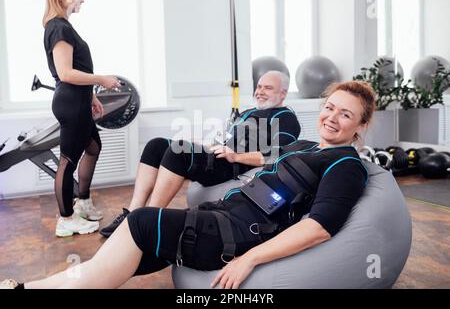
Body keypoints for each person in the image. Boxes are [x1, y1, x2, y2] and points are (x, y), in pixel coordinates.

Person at [0, 81, 375, 289]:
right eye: (330, 107)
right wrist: (232, 154)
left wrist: (249, 259)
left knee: (142, 223)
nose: (332, 117)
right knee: (125, 257)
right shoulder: (306, 145)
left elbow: (320, 227)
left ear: (359, 127)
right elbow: (268, 159)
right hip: (220, 217)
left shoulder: (346, 164)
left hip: (237, 235)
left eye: (346, 115)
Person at [99, 70, 301, 237]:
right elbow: (225, 139)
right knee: (156, 145)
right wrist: (203, 144)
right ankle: (133, 212)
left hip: (233, 165)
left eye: (268, 88)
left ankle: (147, 220)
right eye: (259, 86)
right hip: (219, 155)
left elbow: (277, 155)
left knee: (179, 153)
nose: (260, 91)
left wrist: (236, 156)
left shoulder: (285, 117)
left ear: (283, 93)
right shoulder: (248, 112)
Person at [43, 0, 122, 237]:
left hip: (79, 99)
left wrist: (92, 95)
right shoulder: (58, 27)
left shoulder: (64, 26)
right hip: (71, 102)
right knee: (67, 161)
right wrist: (102, 80)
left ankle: (83, 202)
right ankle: (66, 219)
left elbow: (75, 69)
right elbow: (65, 73)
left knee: (93, 147)